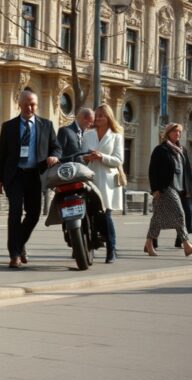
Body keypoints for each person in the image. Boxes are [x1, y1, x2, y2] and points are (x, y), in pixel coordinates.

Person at [0, 90, 61, 268]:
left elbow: (56, 147)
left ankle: (20, 243)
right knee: (15, 212)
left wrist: (54, 156)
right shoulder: (9, 126)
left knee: (34, 214)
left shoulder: (46, 125)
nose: (29, 108)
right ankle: (14, 254)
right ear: (19, 104)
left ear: (36, 105)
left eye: (32, 104)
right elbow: (1, 154)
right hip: (14, 176)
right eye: (26, 104)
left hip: (35, 176)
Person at [81, 104, 124, 263]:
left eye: (101, 115)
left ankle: (111, 249)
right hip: (91, 178)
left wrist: (101, 157)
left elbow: (119, 160)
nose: (98, 118)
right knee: (91, 214)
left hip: (107, 180)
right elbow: (82, 156)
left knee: (105, 215)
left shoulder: (116, 136)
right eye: (97, 115)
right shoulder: (88, 134)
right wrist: (87, 157)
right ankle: (88, 244)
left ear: (108, 118)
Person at [144, 122, 192, 257]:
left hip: (181, 188)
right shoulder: (161, 149)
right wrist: (155, 189)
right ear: (168, 133)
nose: (177, 134)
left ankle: (149, 243)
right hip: (165, 188)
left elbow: (187, 171)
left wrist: (188, 188)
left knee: (157, 218)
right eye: (174, 131)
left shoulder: (182, 150)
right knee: (180, 214)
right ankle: (186, 244)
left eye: (179, 132)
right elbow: (152, 170)